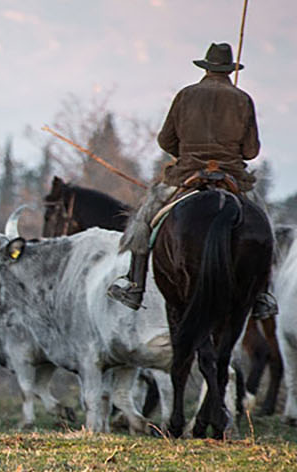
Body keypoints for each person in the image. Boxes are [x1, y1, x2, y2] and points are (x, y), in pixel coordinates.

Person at [107, 42, 274, 317]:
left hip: (188, 173)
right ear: (229, 70)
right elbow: (251, 151)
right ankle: (263, 294)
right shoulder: (242, 98)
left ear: (206, 68)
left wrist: (187, 153)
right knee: (262, 224)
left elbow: (165, 140)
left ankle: (134, 284)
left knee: (145, 219)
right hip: (232, 176)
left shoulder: (186, 95)